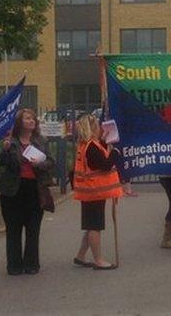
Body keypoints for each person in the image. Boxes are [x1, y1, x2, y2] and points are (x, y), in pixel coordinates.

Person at [0, 108, 54, 275]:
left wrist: (39, 164)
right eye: (27, 118)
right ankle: (14, 265)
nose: (32, 121)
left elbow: (51, 161)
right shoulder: (11, 140)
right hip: (13, 189)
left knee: (33, 228)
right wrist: (6, 150)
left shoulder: (41, 141)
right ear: (19, 122)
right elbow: (1, 162)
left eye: (33, 118)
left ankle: (31, 264)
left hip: (35, 188)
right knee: (13, 228)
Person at [72, 115, 122, 270]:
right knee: (95, 226)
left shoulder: (86, 145)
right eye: (98, 126)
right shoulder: (92, 147)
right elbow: (104, 165)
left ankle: (80, 256)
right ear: (92, 128)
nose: (101, 128)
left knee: (90, 225)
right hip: (94, 192)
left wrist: (105, 141)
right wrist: (115, 154)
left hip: (89, 191)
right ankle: (98, 260)